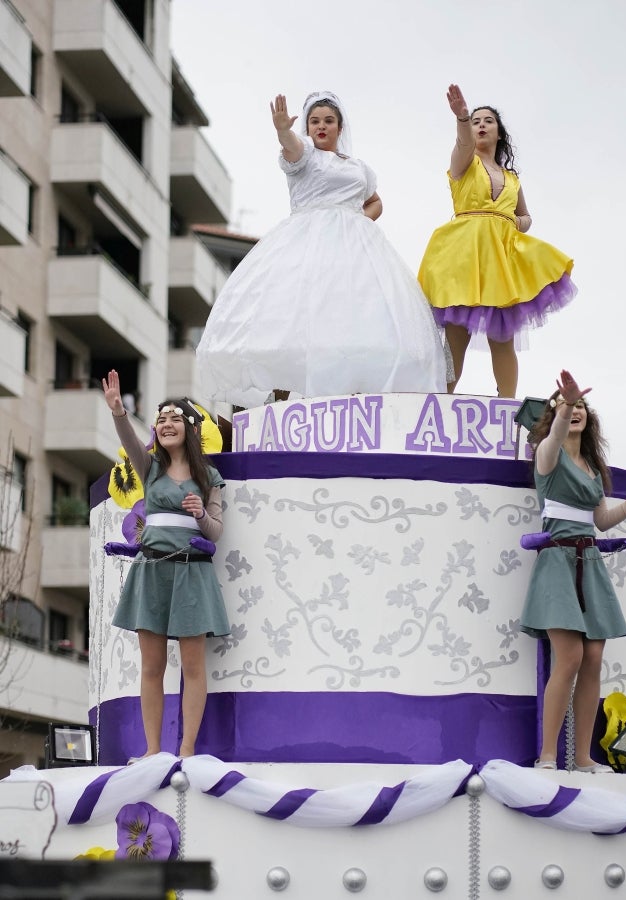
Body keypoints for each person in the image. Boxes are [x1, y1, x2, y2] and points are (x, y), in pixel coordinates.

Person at [197, 92, 447, 408]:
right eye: (315, 121)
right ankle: (282, 397)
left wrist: (357, 222)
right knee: (295, 315)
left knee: (354, 318)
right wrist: (282, 130)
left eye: (329, 121)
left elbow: (375, 201)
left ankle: (351, 395)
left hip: (355, 250)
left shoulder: (359, 167)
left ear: (340, 127)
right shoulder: (305, 155)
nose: (322, 126)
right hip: (306, 243)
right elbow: (291, 147)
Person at [520, 369, 626, 771]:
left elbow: (602, 520)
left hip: (588, 560)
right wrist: (566, 402)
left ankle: (583, 756)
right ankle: (548, 755)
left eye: (581, 408)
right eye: (566, 408)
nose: (575, 413)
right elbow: (555, 436)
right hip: (557, 559)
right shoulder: (546, 453)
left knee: (593, 657)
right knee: (569, 656)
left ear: (590, 419)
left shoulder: (592, 464)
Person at [102, 369, 230, 762]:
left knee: (193, 666)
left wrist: (199, 515)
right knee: (152, 667)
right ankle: (154, 750)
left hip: (192, 572)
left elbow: (216, 532)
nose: (166, 423)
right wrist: (119, 412)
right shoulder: (150, 468)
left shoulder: (208, 476)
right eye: (161, 419)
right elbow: (127, 440)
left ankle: (187, 749)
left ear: (191, 428)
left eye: (175, 417)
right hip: (152, 571)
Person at [418, 84, 576, 398]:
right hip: (463, 255)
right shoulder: (464, 162)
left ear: (499, 133)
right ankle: (440, 402)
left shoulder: (512, 178)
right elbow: (463, 143)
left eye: (487, 121)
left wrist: (511, 221)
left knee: (502, 335)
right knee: (455, 338)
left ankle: (507, 407)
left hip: (500, 259)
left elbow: (526, 217)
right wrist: (461, 118)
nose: (480, 125)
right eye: (476, 121)